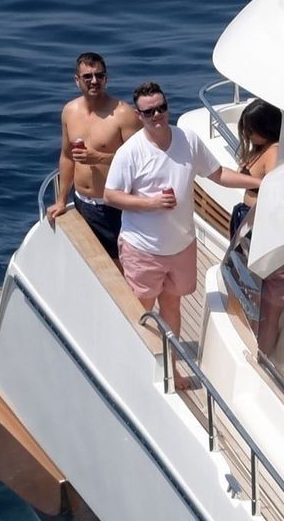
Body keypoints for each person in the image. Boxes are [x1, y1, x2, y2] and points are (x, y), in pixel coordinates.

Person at [103, 82, 259, 386]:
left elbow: (218, 174)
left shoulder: (188, 140)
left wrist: (258, 183)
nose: (157, 115)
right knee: (142, 311)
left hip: (181, 245)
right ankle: (130, 369)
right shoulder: (130, 152)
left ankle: (170, 371)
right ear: (139, 115)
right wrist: (151, 203)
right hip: (143, 248)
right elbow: (111, 195)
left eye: (161, 108)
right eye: (149, 111)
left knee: (172, 307)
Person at [47, 52, 140, 261]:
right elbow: (67, 157)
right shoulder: (69, 111)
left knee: (122, 265)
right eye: (87, 76)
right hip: (82, 203)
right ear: (77, 80)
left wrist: (99, 158)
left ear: (106, 78)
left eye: (99, 75)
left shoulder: (123, 114)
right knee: (88, 263)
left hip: (114, 207)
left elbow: (139, 161)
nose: (94, 81)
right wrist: (61, 200)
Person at [233, 99, 284, 357]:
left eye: (251, 129)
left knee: (265, 306)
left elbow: (276, 189)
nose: (247, 134)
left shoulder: (273, 151)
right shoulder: (260, 148)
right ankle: (252, 350)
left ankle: (259, 355)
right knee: (249, 294)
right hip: (249, 223)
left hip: (262, 226)